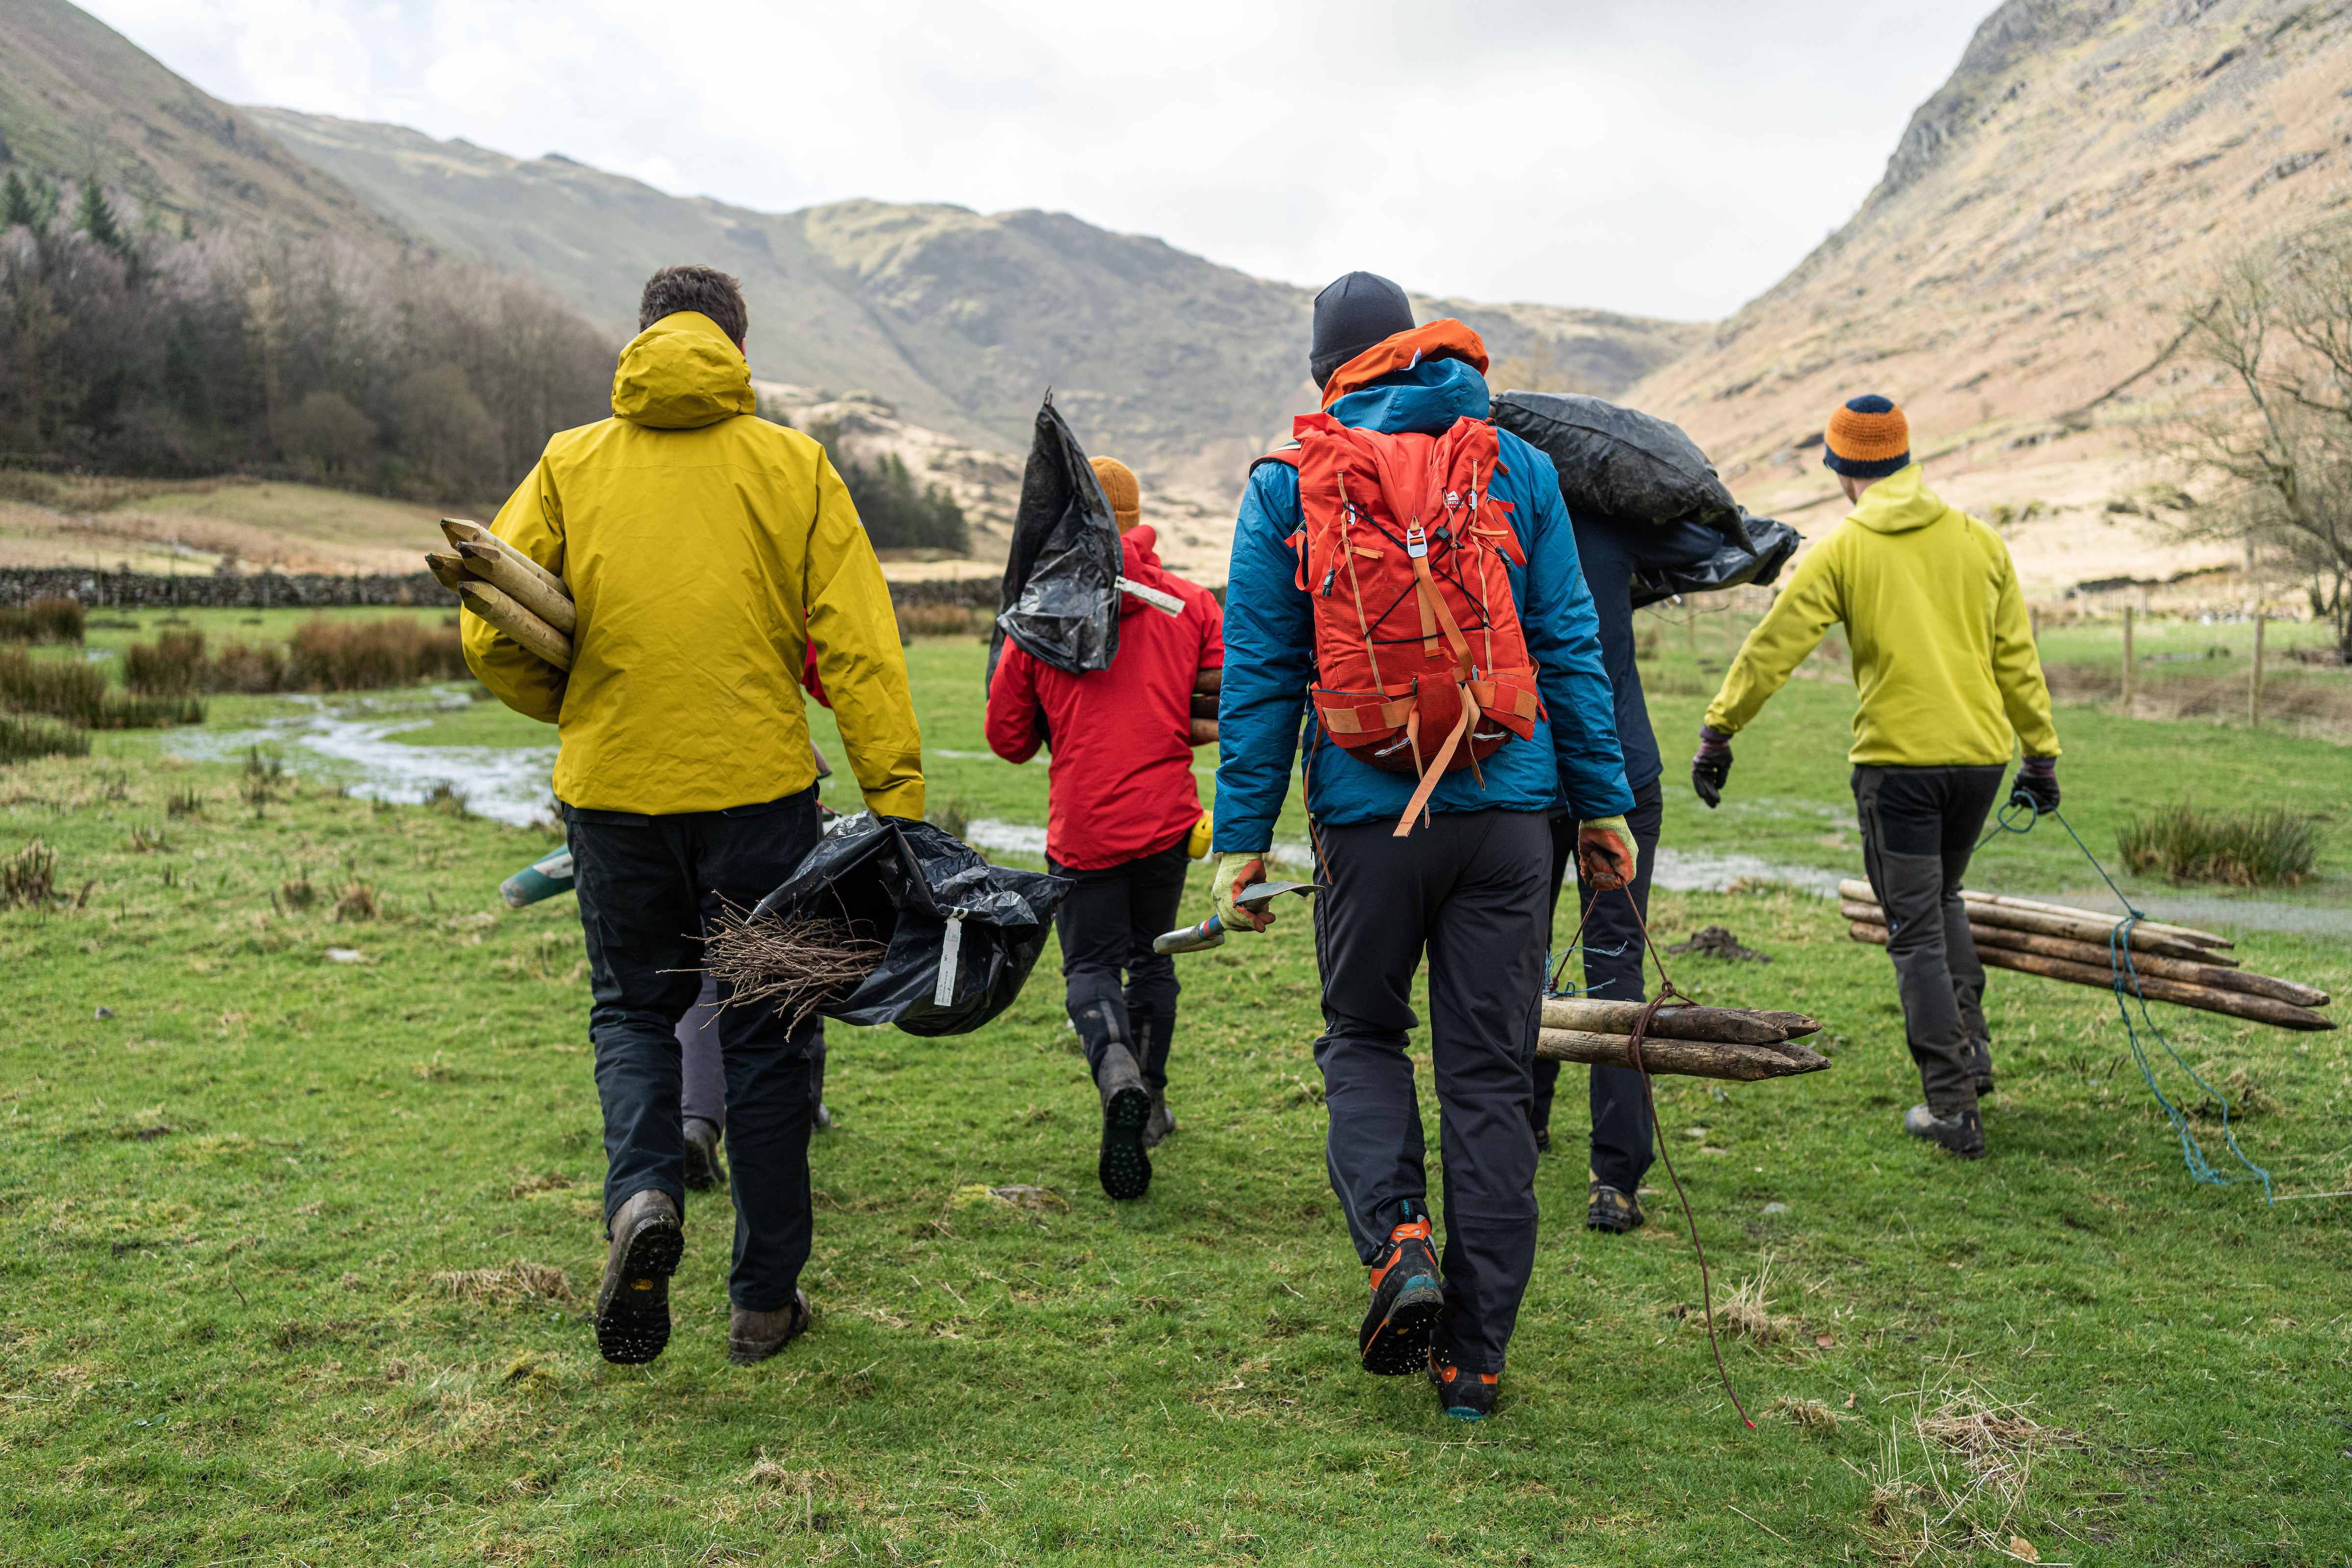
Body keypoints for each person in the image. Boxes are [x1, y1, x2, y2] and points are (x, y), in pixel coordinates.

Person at [465, 264, 922, 1368]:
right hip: (763, 799)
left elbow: (489, 628)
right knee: (770, 1037)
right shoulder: (792, 465)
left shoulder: (569, 464)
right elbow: (859, 646)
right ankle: (765, 1303)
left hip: (613, 799)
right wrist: (896, 806)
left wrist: (576, 711)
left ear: (640, 339)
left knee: (633, 1012)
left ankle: (641, 1204)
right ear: (737, 346)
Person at [1214, 271, 1635, 1422]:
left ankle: (1398, 1243)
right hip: (1509, 816)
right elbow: (1568, 648)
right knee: (1490, 1081)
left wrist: (1238, 844)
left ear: (1328, 374)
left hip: (1365, 819)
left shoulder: (1286, 484)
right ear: (1417, 348)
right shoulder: (1515, 466)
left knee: (1360, 1032)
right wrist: (1602, 811)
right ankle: (1474, 1362)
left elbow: (1259, 679)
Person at [1690, 394, 2059, 1161]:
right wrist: (2041, 755)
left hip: (1899, 770)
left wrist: (1720, 728)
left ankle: (1952, 1107)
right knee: (1944, 901)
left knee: (1916, 928)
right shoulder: (1980, 543)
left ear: (1840, 468)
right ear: (1904, 457)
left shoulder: (1845, 549)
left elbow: (1774, 647)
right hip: (1981, 761)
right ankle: (1973, 1059)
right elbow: (2016, 659)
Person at [985, 456, 1223, 1201]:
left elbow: (1008, 740)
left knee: (1090, 966)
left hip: (1084, 827)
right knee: (1153, 959)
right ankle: (1148, 1101)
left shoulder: (1042, 616)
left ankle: (1113, 1065)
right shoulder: (1189, 604)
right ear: (1135, 517)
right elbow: (1218, 712)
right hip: (1165, 821)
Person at [1535, 510, 1724, 1233]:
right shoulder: (1609, 526)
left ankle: (1524, 1122)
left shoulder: (1491, 514)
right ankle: (1613, 1181)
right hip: (1621, 777)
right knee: (1616, 964)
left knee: (1520, 955)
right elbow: (1711, 545)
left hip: (1522, 770)